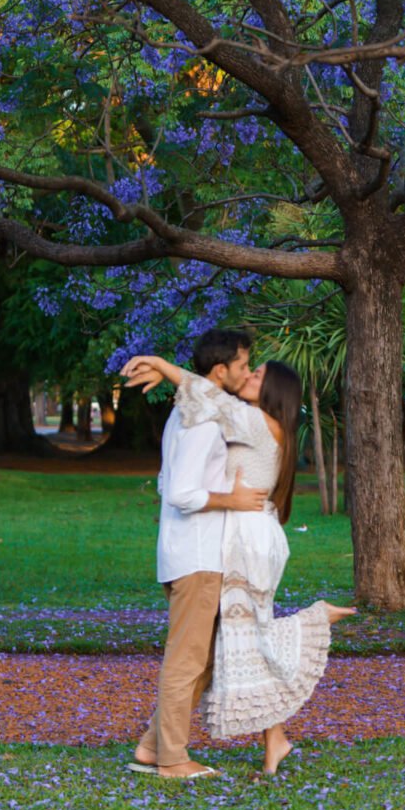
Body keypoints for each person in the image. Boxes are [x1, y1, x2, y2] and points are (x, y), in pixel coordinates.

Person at [123, 351, 356, 774]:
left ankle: (314, 621)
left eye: (259, 374)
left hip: (247, 542)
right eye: (249, 369)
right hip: (245, 537)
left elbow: (209, 391)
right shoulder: (256, 424)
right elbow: (210, 392)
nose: (249, 375)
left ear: (274, 392)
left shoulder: (259, 425)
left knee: (249, 637)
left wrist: (161, 364)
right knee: (235, 641)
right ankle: (268, 740)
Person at [127, 329, 269, 779]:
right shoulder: (201, 422)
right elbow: (182, 492)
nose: (248, 373)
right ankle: (172, 759)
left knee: (203, 660)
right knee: (187, 661)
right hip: (196, 558)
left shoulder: (197, 409)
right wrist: (235, 500)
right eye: (244, 365)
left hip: (196, 555)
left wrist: (170, 371)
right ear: (220, 370)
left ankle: (153, 746)